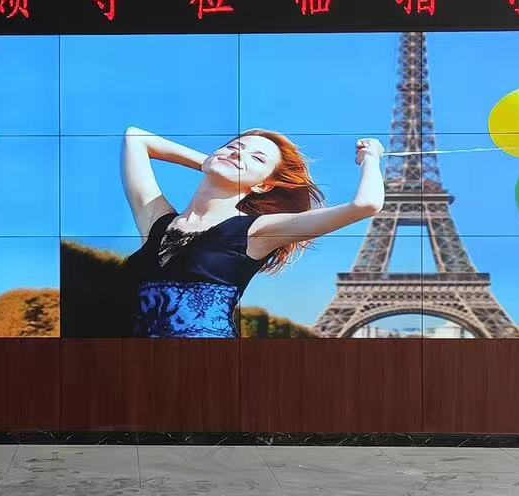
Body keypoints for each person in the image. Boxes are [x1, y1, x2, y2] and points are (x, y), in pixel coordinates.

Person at [118, 127, 385, 338]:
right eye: (233, 147)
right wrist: (214, 163)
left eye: (257, 158)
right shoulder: (157, 220)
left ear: (263, 186)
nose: (237, 153)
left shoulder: (258, 230)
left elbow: (366, 204)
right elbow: (136, 137)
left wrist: (370, 159)